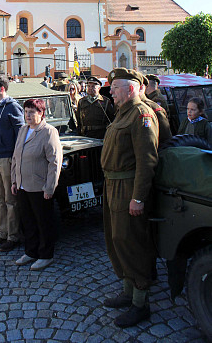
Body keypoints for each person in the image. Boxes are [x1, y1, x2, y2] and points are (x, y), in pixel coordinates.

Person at [101, 68, 159, 328]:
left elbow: (147, 161)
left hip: (128, 187)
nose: (111, 93)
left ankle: (140, 303)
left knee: (133, 243)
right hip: (113, 185)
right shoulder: (122, 113)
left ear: (132, 88)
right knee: (117, 240)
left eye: (115, 88)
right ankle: (128, 291)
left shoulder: (141, 114)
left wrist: (138, 197)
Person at [11, 98, 62, 271]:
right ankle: (30, 251)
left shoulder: (48, 132)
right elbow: (15, 157)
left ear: (41, 113)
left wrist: (50, 187)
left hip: (39, 186)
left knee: (43, 222)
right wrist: (14, 180)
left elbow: (54, 162)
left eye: (32, 112)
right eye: (26, 112)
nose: (28, 115)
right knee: (27, 221)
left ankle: (46, 255)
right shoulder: (23, 130)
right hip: (23, 185)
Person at [0, 75, 24, 252]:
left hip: (7, 159)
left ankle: (13, 236)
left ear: (2, 88)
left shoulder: (12, 107)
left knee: (10, 200)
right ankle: (2, 232)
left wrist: (15, 160)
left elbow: (20, 135)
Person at [138, 74, 172, 146]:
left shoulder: (157, 99)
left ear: (147, 86)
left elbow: (159, 120)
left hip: (159, 136)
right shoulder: (152, 98)